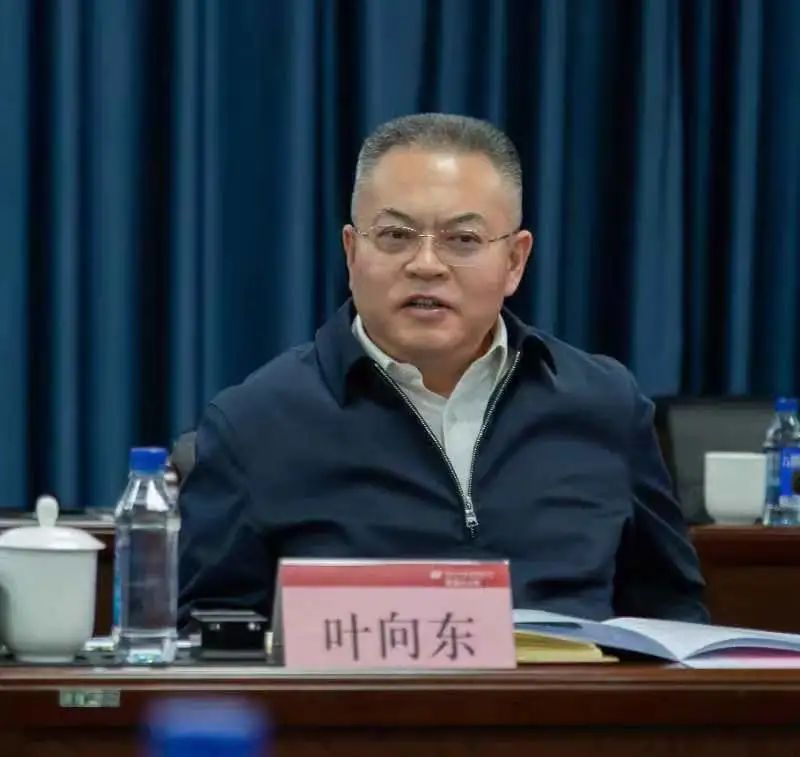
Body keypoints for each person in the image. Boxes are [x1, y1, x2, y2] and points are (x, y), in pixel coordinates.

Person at [178, 113, 707, 625]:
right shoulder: (256, 423)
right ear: (351, 252)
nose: (426, 265)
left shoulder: (604, 405)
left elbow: (672, 615)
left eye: (463, 240)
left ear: (515, 261)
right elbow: (208, 639)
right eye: (395, 236)